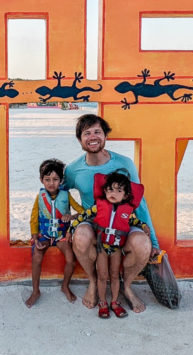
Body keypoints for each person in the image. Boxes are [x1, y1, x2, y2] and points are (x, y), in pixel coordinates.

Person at [63, 113, 159, 313]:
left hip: (124, 220)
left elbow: (140, 204)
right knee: (80, 235)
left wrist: (155, 243)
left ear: (105, 136)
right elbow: (61, 193)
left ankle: (127, 286)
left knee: (142, 244)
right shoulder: (73, 169)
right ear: (80, 139)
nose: (93, 137)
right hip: (94, 220)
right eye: (86, 133)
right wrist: (67, 224)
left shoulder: (124, 164)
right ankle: (92, 281)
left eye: (98, 131)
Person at [69, 171, 151, 319]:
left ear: (125, 195)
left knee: (114, 276)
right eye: (110, 189)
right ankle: (102, 302)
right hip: (101, 247)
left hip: (116, 249)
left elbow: (135, 222)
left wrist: (144, 226)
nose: (113, 193)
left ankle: (114, 302)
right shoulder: (98, 207)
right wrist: (71, 229)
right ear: (105, 191)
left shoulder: (127, 212)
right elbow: (83, 217)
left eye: (119, 190)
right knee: (102, 276)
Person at [26, 158, 84, 308]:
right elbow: (33, 218)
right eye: (47, 179)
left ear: (61, 180)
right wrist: (34, 237)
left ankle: (65, 286)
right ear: (41, 180)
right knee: (37, 257)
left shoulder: (67, 195)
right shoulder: (40, 197)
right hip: (44, 236)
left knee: (71, 259)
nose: (51, 183)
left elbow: (82, 212)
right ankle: (35, 291)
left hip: (61, 237)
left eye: (55, 179)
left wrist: (71, 217)